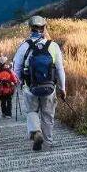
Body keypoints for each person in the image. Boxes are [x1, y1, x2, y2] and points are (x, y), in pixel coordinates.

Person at [13, 15, 66, 151]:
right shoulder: (53, 46)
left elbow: (16, 68)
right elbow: (60, 69)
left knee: (32, 111)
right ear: (44, 28)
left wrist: (19, 83)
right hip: (49, 87)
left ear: (30, 28)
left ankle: (36, 132)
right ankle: (48, 143)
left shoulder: (24, 46)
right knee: (48, 114)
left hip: (30, 87)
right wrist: (62, 88)